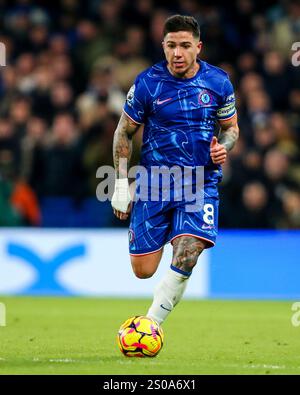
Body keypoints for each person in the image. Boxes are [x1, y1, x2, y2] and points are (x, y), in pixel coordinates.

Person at [111, 15, 239, 326]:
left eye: (184, 46)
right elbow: (123, 132)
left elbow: (231, 129)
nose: (177, 53)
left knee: (187, 253)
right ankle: (165, 274)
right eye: (170, 46)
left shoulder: (218, 82)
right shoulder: (148, 83)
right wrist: (119, 184)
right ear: (163, 46)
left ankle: (151, 324)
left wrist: (224, 146)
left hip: (200, 181)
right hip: (154, 184)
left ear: (198, 47)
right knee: (143, 270)